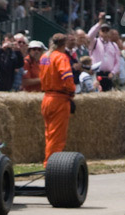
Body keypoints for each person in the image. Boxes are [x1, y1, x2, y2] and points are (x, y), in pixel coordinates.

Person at [39, 33, 75, 165]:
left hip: (46, 98)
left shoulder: (44, 56)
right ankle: (52, 164)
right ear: (64, 45)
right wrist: (71, 91)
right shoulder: (61, 57)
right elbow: (67, 76)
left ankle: (49, 161)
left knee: (49, 134)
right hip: (59, 98)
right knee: (57, 136)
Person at [88, 13, 120, 91]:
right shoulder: (94, 42)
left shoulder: (114, 45)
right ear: (99, 32)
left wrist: (113, 72)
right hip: (96, 74)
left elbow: (117, 62)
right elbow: (89, 36)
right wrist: (99, 23)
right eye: (103, 30)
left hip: (109, 75)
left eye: (107, 30)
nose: (105, 32)